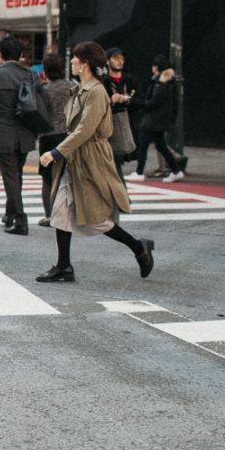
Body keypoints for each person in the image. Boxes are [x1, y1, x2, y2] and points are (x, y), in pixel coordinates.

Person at [36, 42, 155, 282]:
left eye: (75, 59)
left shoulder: (97, 92)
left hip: (90, 160)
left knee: (97, 219)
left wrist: (56, 152)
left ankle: (138, 246)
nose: (71, 62)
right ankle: (63, 266)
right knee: (60, 211)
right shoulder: (82, 88)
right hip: (77, 159)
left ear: (86, 63)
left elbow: (84, 130)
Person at [0, 36, 36, 235]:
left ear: (0, 55)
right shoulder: (31, 75)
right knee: (16, 174)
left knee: (10, 176)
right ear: (21, 55)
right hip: (26, 133)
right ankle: (9, 213)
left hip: (1, 132)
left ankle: (20, 219)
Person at [125, 55, 184, 183]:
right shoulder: (167, 81)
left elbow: (154, 101)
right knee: (160, 145)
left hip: (153, 120)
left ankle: (139, 172)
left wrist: (142, 105)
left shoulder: (160, 82)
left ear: (156, 67)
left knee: (144, 144)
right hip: (159, 120)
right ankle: (176, 170)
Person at [37, 53, 73, 227]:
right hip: (70, 135)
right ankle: (72, 213)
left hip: (49, 136)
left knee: (48, 179)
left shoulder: (44, 90)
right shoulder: (73, 87)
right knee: (70, 176)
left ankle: (50, 216)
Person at [103, 47, 143, 179]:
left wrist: (127, 101)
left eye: (122, 58)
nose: (120, 61)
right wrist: (111, 100)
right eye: (116, 58)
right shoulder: (104, 81)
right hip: (110, 126)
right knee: (114, 164)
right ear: (108, 61)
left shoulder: (130, 80)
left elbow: (141, 101)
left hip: (127, 125)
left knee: (116, 164)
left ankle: (121, 196)